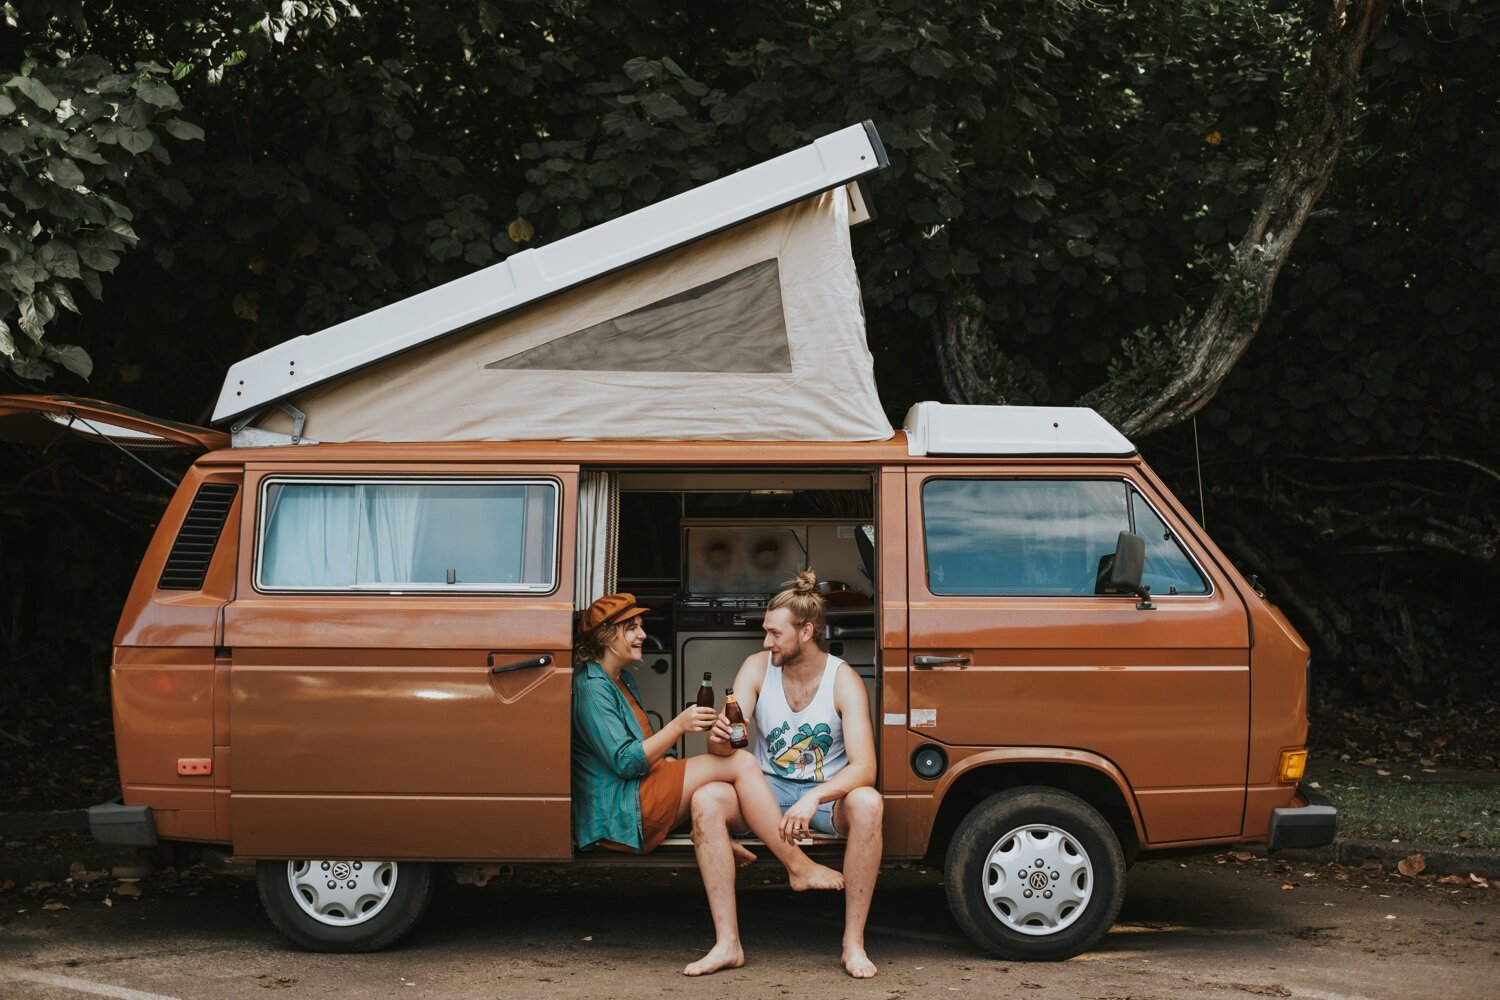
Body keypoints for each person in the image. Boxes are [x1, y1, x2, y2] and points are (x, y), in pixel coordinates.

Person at [688, 570, 883, 979]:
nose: (766, 642)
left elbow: (865, 767)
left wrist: (814, 798)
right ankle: (728, 944)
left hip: (825, 796)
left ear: (806, 631)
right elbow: (725, 749)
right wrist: (722, 737)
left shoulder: (843, 679)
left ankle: (853, 943)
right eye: (765, 633)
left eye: (775, 634)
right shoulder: (757, 668)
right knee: (706, 799)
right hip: (766, 793)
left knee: (868, 802)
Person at [570, 590, 845, 876]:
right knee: (741, 762)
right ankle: (798, 865)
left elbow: (652, 756)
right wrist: (678, 726)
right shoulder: (591, 686)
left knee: (713, 786)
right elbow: (626, 762)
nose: (642, 635)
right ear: (607, 637)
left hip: (638, 794)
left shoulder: (619, 679)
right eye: (632, 629)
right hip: (622, 812)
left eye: (641, 626)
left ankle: (717, 835)